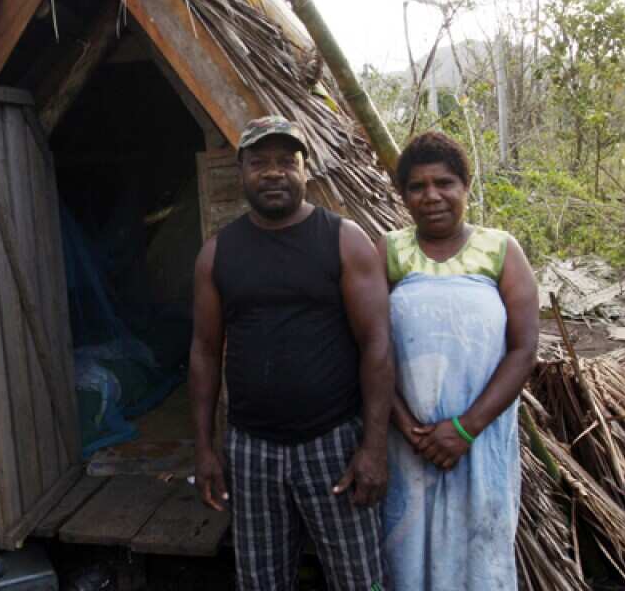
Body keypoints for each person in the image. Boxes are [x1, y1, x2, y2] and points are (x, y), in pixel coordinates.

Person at [189, 115, 393, 591]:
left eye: (287, 161)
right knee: (260, 580)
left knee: (359, 578)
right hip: (250, 448)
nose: (273, 172)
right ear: (240, 174)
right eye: (259, 163)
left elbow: (378, 346)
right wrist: (203, 448)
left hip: (333, 443)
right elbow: (202, 352)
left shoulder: (344, 240)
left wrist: (374, 448)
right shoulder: (218, 254)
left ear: (307, 170)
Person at [380, 131, 539, 590]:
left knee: (479, 553)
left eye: (445, 183)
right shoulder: (390, 251)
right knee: (407, 553)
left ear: (466, 187)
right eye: (417, 186)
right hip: (407, 443)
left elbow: (523, 350)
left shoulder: (501, 250)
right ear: (404, 195)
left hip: (480, 440)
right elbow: (371, 347)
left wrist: (465, 428)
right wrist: (408, 425)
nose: (431, 196)